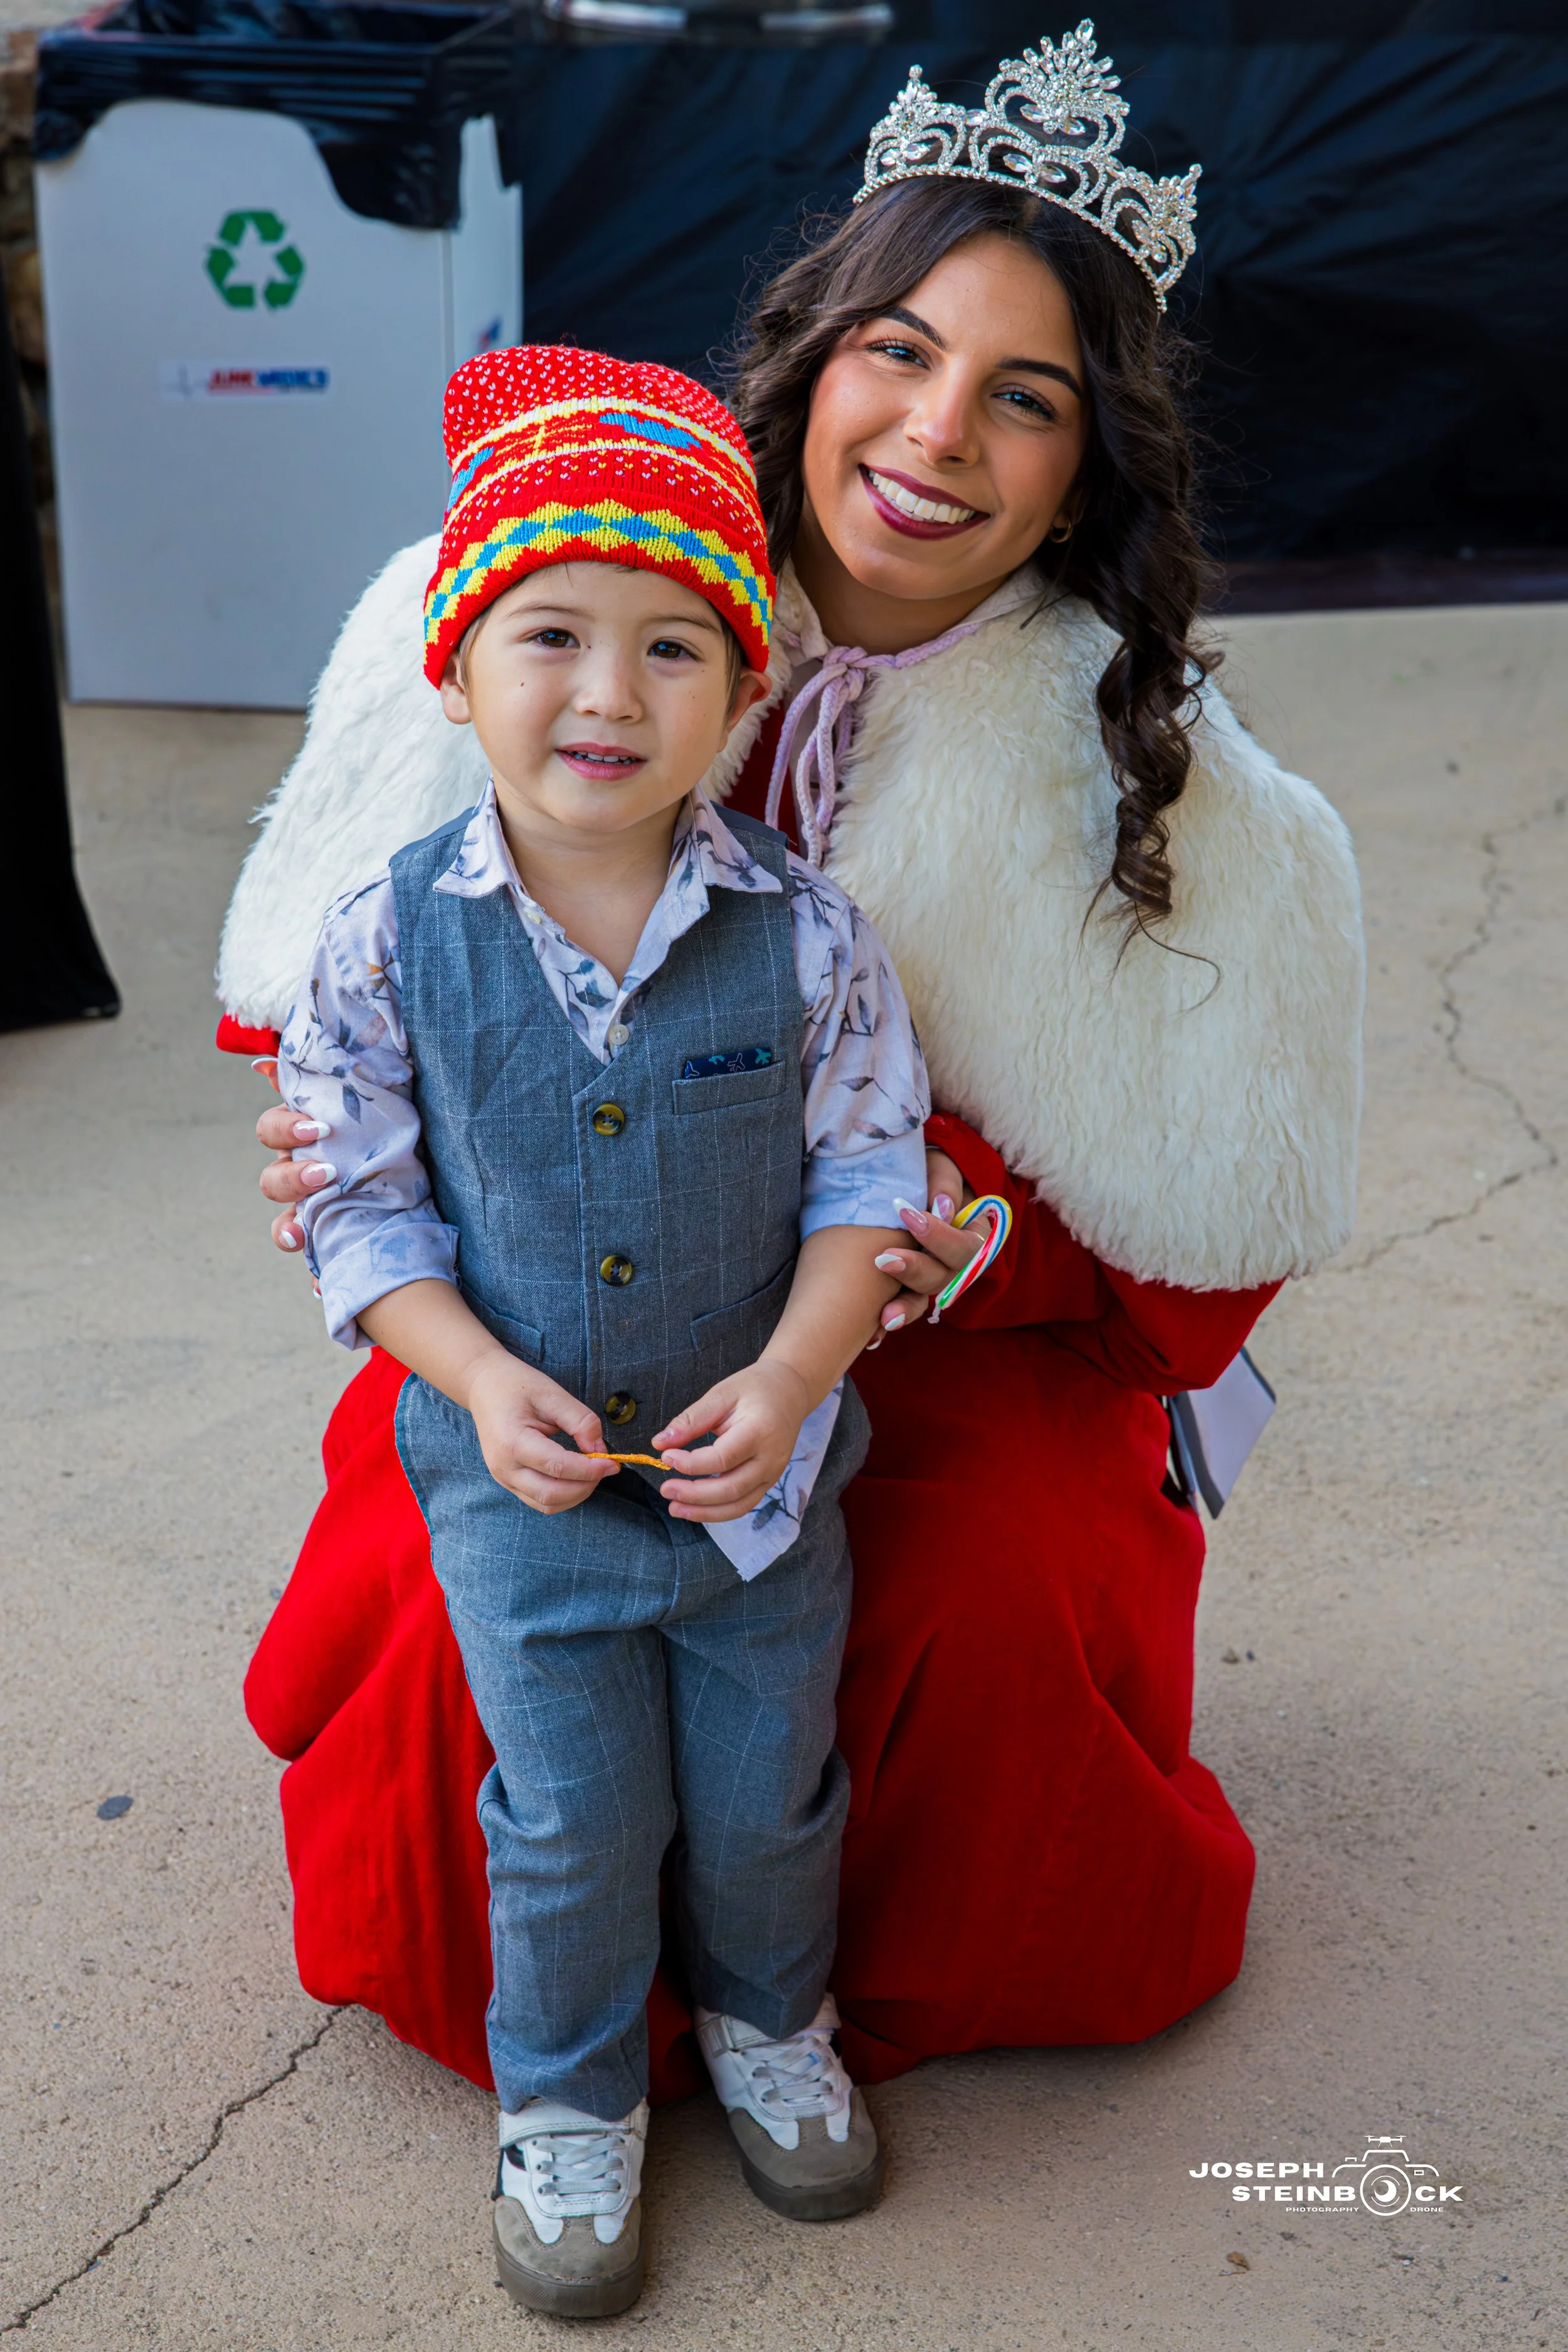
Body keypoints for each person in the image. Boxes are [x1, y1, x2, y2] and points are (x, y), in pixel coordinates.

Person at [219, 14, 1362, 2195]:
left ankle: (782, 2008)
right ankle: (574, 2042)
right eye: (899, 355)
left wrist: (960, 1241)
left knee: (971, 1590)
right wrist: (355, 1169)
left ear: (1084, 462)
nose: (936, 437)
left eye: (1022, 399)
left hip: (914, 1342)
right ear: (811, 353)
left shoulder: (1171, 776)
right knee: (461, 1586)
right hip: (558, 1311)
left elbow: (1199, 1227)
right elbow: (342, 1002)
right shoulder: (559, 586)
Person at [273, 344, 933, 2316]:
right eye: (550, 632)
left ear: (741, 694)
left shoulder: (808, 936)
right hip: (519, 1480)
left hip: (758, 1477)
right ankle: (565, 2098)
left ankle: (764, 2016)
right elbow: (359, 1200)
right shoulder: (386, 935)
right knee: (565, 1808)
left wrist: (800, 1372)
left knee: (767, 1784)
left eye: (673, 648)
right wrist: (471, 1376)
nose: (607, 693)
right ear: (458, 666)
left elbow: (865, 1187)